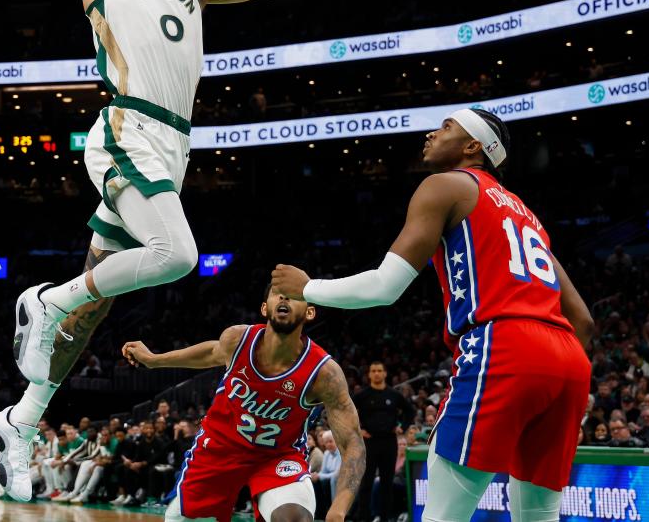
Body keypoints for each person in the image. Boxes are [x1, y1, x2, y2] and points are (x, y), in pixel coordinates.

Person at [0, 0, 356, 502]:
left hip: (174, 146)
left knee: (95, 306)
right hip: (126, 129)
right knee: (177, 256)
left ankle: (21, 418)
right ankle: (44, 299)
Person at [272, 109, 594, 522]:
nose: (431, 132)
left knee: (444, 514)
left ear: (473, 146)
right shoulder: (525, 213)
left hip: (506, 343)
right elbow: (583, 320)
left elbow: (385, 286)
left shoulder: (446, 185)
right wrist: (548, 372)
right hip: (568, 360)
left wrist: (308, 287)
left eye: (446, 127)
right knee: (538, 515)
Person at [120, 283, 365, 522]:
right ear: (264, 308)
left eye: (293, 295)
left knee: (293, 518)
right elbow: (212, 353)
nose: (284, 299)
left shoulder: (324, 374)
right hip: (218, 449)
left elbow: (353, 443)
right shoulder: (237, 339)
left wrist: (338, 510)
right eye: (278, 294)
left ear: (310, 312)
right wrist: (154, 360)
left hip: (278, 456)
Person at [351, 361, 413, 522]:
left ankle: (385, 518)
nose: (377, 373)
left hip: (389, 442)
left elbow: (409, 411)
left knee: (387, 483)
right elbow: (346, 410)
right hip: (370, 442)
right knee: (366, 483)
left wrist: (402, 427)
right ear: (369, 374)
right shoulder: (362, 395)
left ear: (385, 373)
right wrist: (358, 430)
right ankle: (363, 518)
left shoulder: (394, 395)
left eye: (379, 370)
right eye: (373, 371)